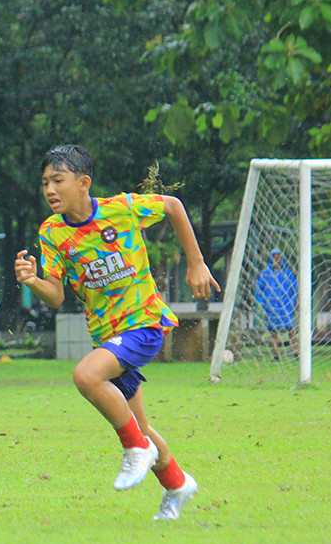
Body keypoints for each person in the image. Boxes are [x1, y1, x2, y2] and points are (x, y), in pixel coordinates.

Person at [15, 144, 220, 520]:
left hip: (143, 324)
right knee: (139, 423)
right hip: (107, 339)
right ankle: (177, 484)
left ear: (83, 183)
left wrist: (196, 262)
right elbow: (56, 295)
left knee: (86, 375)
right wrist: (33, 281)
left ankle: (134, 450)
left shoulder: (120, 210)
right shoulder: (52, 233)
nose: (49, 190)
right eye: (45, 182)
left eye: (58, 181)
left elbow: (172, 206)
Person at [256, 248, 298, 361]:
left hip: (285, 306)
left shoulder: (288, 273)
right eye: (275, 257)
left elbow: (294, 289)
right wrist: (262, 302)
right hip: (271, 307)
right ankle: (276, 355)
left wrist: (294, 303)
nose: (277, 259)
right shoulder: (266, 273)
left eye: (279, 257)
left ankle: (297, 352)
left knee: (290, 329)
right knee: (273, 332)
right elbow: (259, 289)